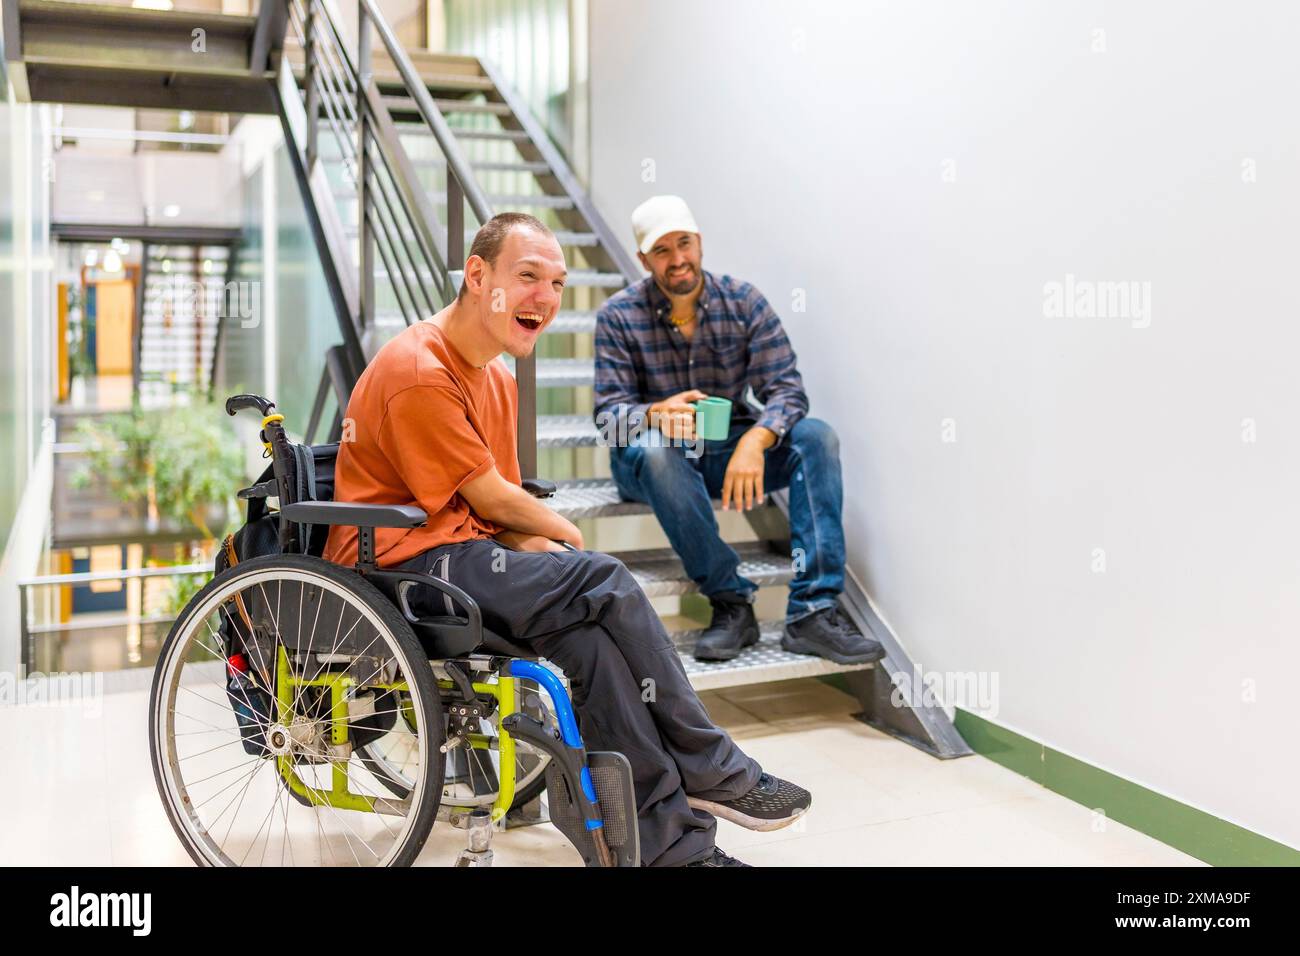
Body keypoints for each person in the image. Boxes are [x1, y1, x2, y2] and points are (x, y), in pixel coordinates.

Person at [324, 212, 810, 867]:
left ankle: (670, 849)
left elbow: (497, 507)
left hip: (465, 554)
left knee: (596, 650)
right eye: (528, 277)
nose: (546, 299)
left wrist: (537, 545)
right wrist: (564, 536)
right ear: (477, 276)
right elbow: (492, 497)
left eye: (556, 283)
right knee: (602, 577)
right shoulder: (418, 366)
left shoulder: (495, 375)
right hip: (403, 566)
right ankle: (716, 768)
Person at [593, 195, 885, 665]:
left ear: (700, 243)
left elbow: (787, 389)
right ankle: (730, 602)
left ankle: (813, 612)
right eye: (662, 251)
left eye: (683, 243)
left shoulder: (743, 302)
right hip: (651, 462)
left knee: (816, 437)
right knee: (654, 449)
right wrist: (653, 413)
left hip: (726, 447)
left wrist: (756, 439)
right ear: (643, 259)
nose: (677, 259)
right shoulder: (618, 316)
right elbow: (608, 418)